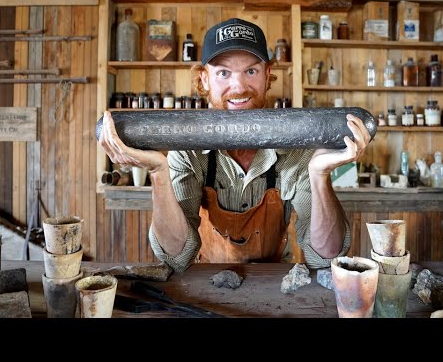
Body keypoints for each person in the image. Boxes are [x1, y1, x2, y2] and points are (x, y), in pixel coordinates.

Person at [99, 17, 371, 273]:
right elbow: (176, 256)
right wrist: (158, 172)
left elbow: (326, 255)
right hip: (206, 280)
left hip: (275, 281)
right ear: (204, 79)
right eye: (223, 73)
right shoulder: (187, 152)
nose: (238, 87)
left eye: (250, 70)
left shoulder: (298, 151)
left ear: (267, 75)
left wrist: (320, 174)